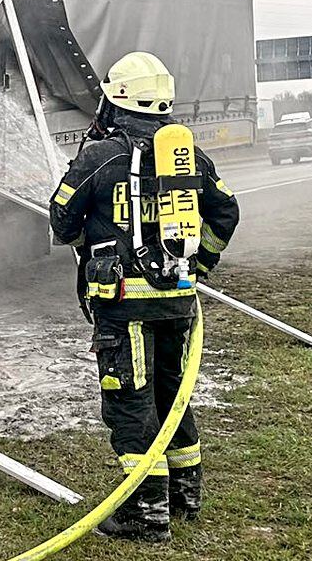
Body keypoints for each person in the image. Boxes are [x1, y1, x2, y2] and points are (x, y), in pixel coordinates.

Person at [48, 51, 240, 542]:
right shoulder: (188, 156)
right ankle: (185, 493)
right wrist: (200, 264)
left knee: (131, 403)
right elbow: (226, 213)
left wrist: (89, 234)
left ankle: (144, 515)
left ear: (115, 101)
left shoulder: (101, 156)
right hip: (177, 301)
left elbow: (61, 219)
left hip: (122, 306)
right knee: (172, 395)